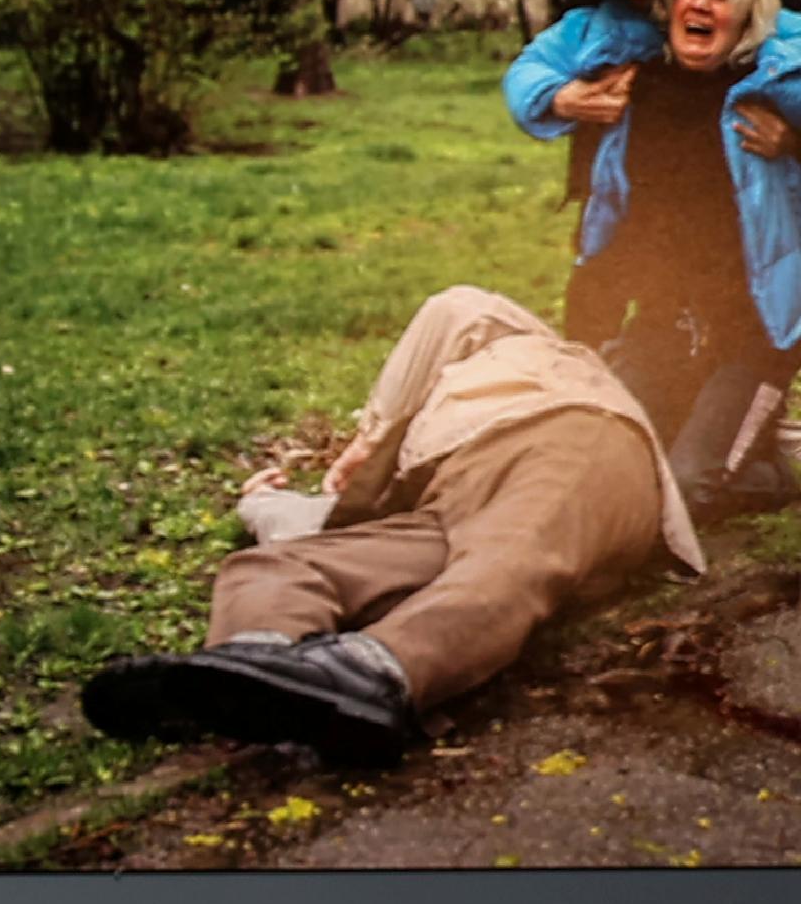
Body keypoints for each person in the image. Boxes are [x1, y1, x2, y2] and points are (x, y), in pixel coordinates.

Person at [79, 285, 693, 762]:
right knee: (276, 565)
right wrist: (262, 503)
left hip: (570, 440)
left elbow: (455, 306)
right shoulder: (435, 428)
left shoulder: (536, 353)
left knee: (509, 560)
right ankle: (249, 666)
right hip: (453, 495)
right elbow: (323, 524)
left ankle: (376, 671)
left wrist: (368, 437)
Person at [507, 0, 801, 511]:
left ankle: (768, 469)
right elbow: (534, 70)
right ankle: (719, 430)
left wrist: (796, 142)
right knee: (607, 460)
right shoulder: (638, 82)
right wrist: (561, 97)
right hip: (665, 328)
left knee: (686, 487)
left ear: (747, 17)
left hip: (754, 341)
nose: (700, 4)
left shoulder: (771, 85)